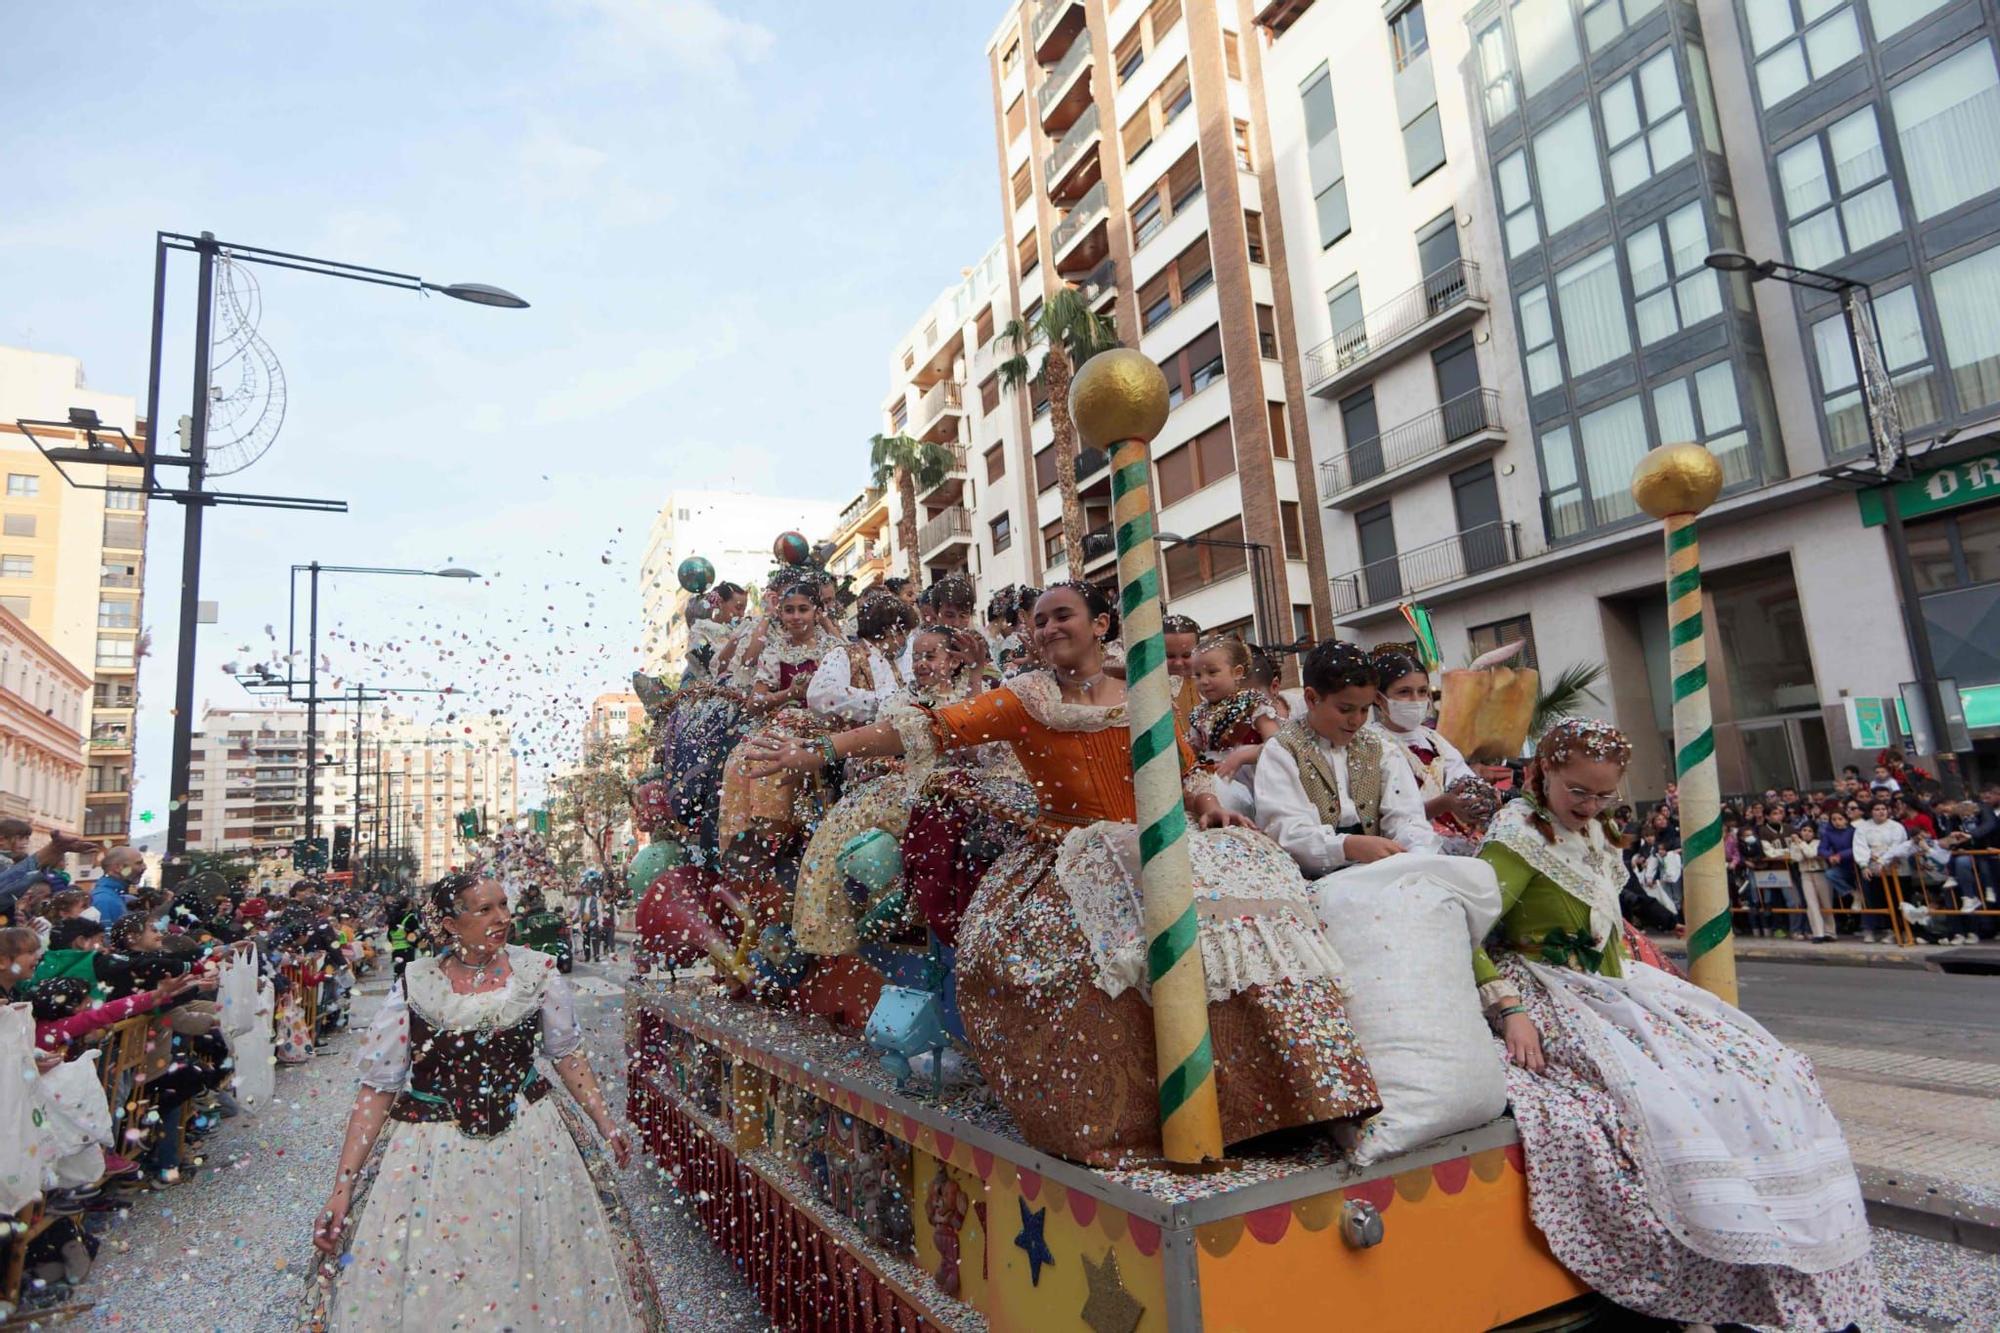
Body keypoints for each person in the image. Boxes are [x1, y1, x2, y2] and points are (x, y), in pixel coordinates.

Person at [744, 581, 1377, 1165]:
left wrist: (1211, 807)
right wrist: (822, 749)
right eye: (1039, 621)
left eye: (1062, 616)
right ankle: (1130, 1122)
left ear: (1100, 623)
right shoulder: (1026, 699)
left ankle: (1284, 1101)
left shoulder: (1144, 698)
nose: (1046, 629)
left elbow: (1183, 774)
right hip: (1067, 856)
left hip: (1158, 844)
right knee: (1079, 956)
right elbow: (929, 729)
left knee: (1247, 914)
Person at [1473, 718, 1878, 1327]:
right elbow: (1466, 930)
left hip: (1617, 985)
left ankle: (1779, 1242)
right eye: (1576, 792)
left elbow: (1613, 911)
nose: (1588, 807)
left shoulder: (1598, 831)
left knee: (1761, 1069)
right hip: (1545, 989)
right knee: (1663, 1103)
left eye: (1603, 795)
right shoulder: (1514, 834)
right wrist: (1510, 1011)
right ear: (1545, 772)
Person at [310, 872, 658, 1329]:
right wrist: (343, 1189)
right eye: (485, 909)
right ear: (452, 925)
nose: (501, 918)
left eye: (503, 906)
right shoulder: (416, 984)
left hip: (531, 1145)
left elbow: (567, 1056)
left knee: (537, 1261)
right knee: (440, 1268)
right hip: (431, 1160)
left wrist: (604, 1122)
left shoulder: (537, 973)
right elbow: (377, 1089)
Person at [1254, 640, 1439, 874]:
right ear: (1311, 699)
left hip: (1384, 871)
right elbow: (1284, 830)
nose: (1356, 720)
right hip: (1314, 881)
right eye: (1345, 709)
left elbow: (1407, 817)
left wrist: (1418, 852)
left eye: (1364, 710)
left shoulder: (1380, 748)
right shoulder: (1282, 751)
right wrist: (1346, 847)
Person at [1188, 635, 1281, 815]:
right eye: (1198, 675)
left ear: (1237, 672)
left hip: (1254, 784)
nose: (1204, 681)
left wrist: (1242, 756)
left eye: (1212, 672)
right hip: (1213, 785)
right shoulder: (1198, 714)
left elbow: (1279, 745)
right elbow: (1194, 753)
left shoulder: (1254, 703)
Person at [807, 591, 916, 724]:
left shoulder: (891, 662)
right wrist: (879, 702)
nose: (905, 642)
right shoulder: (843, 654)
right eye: (905, 635)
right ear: (890, 631)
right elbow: (820, 694)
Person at [1853, 799, 1910, 943]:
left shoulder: (1896, 827)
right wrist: (1864, 864)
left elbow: (1899, 844)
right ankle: (1891, 930)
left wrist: (1885, 858)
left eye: (1883, 808)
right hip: (1876, 870)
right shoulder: (1863, 828)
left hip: (1896, 868)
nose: (1881, 812)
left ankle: (1905, 931)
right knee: (1882, 900)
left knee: (1901, 900)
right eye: (1877, 809)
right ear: (1871, 812)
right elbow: (1860, 846)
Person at [91, 846, 145, 925]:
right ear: (118, 868)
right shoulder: (104, 900)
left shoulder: (114, 895)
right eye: (139, 863)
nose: (144, 867)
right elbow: (106, 936)